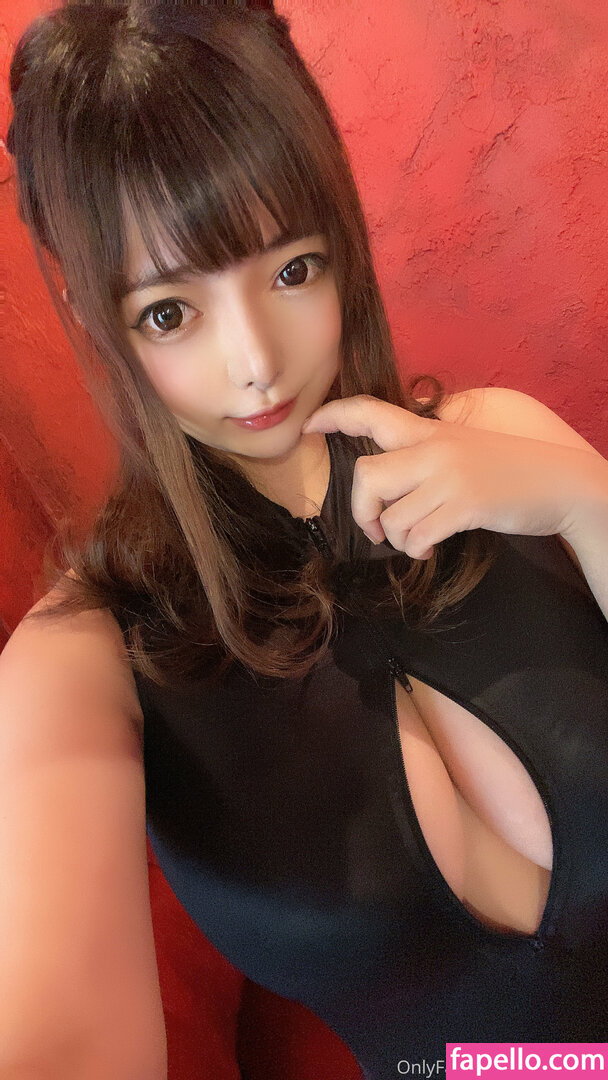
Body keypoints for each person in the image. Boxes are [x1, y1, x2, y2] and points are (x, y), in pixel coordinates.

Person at [3, 2, 608, 1077]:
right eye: (169, 312)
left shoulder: (505, 442)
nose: (255, 363)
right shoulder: (82, 661)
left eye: (291, 269)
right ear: (93, 314)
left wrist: (583, 501)